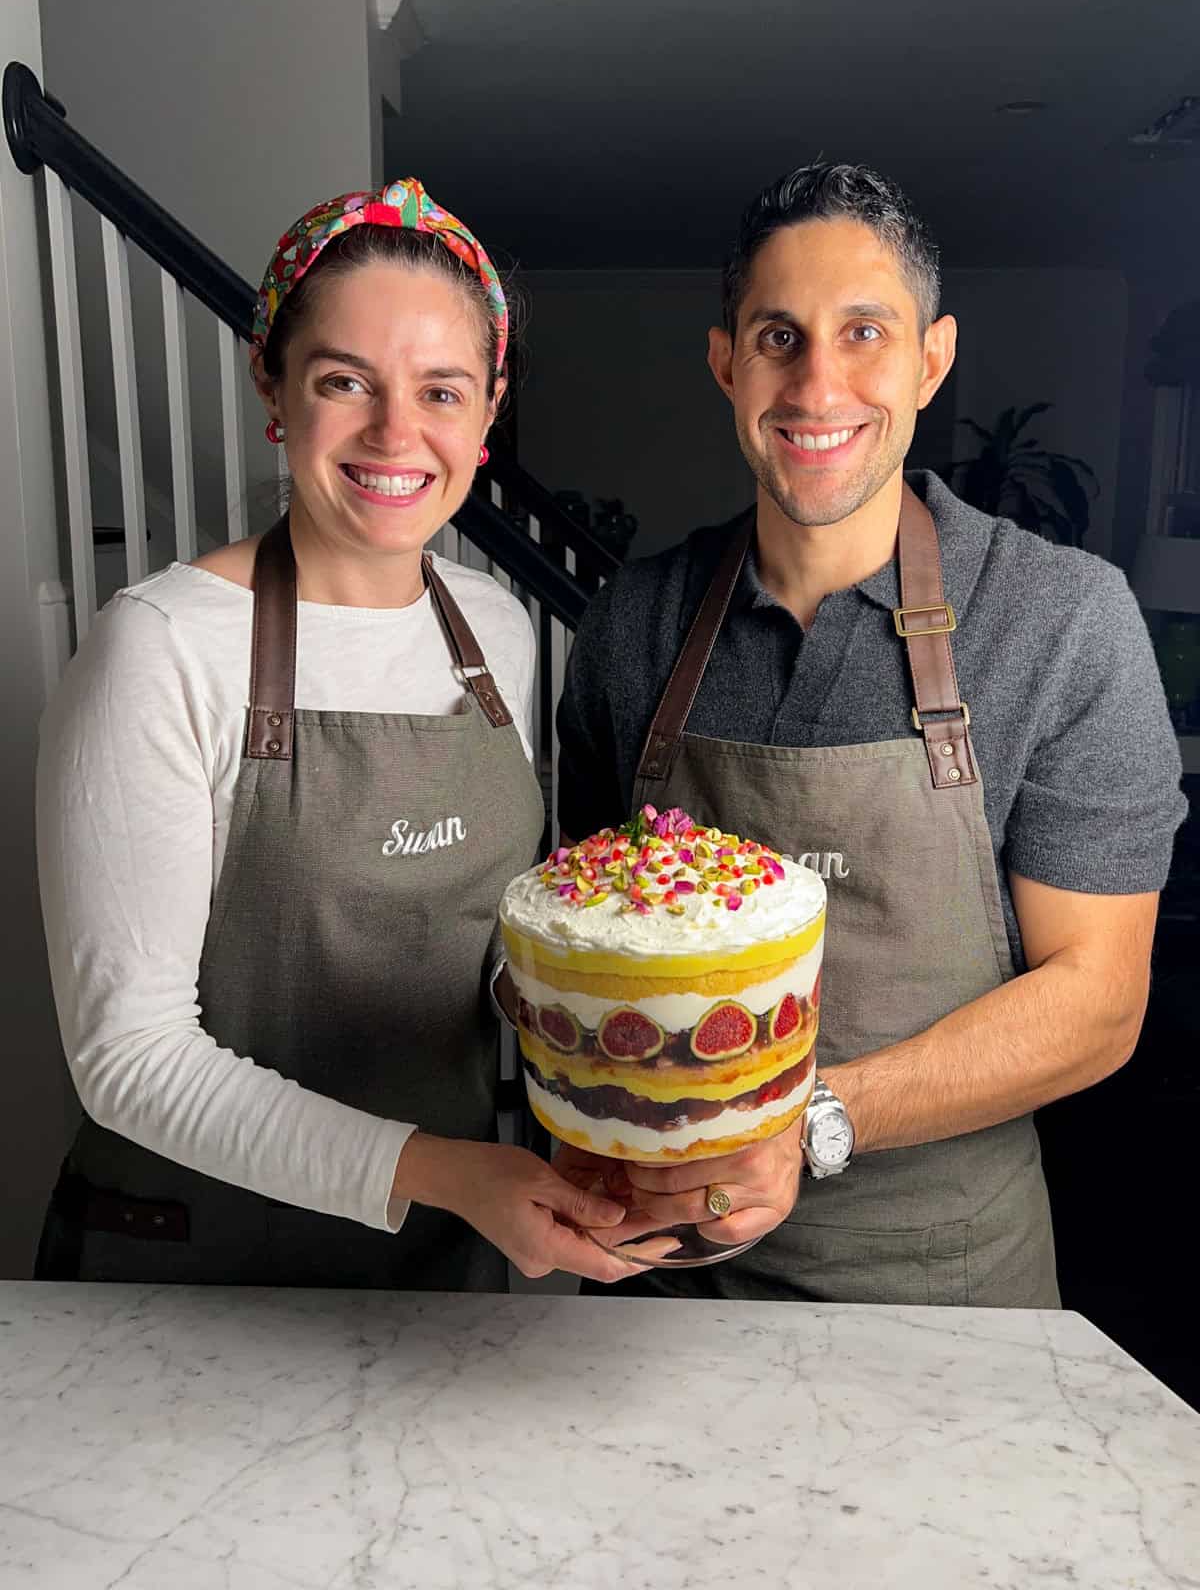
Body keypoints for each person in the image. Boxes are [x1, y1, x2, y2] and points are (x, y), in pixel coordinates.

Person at [555, 163, 1188, 1305]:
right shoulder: (633, 623)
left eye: (864, 332)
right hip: (659, 1286)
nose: (818, 383)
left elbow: (1100, 999)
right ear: (725, 362)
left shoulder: (1063, 620)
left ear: (931, 357)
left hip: (946, 1290)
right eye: (778, 336)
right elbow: (593, 959)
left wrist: (811, 1123)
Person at [36, 178, 644, 1291]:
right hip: (192, 1276)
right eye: (343, 381)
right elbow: (129, 1060)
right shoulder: (163, 648)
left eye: (442, 391)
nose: (396, 434)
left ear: (490, 406)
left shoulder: (498, 634)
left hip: (439, 1270)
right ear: (271, 383)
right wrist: (455, 1171)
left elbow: (472, 949)